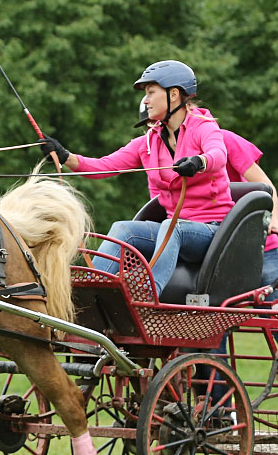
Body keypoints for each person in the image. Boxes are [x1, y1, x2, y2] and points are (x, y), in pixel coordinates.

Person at [39, 60, 232, 299]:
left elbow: (219, 155)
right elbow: (103, 167)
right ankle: (90, 296)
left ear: (173, 94)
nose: (146, 100)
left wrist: (198, 162)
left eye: (151, 92)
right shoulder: (148, 142)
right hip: (171, 229)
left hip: (212, 232)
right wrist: (65, 156)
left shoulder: (204, 126)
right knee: (124, 228)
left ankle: (146, 298)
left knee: (173, 228)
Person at [134, 100, 278, 310]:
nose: (156, 131)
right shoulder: (159, 158)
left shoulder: (222, 140)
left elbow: (266, 186)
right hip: (210, 244)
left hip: (251, 243)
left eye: (158, 124)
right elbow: (164, 207)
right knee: (212, 318)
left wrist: (271, 221)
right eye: (151, 125)